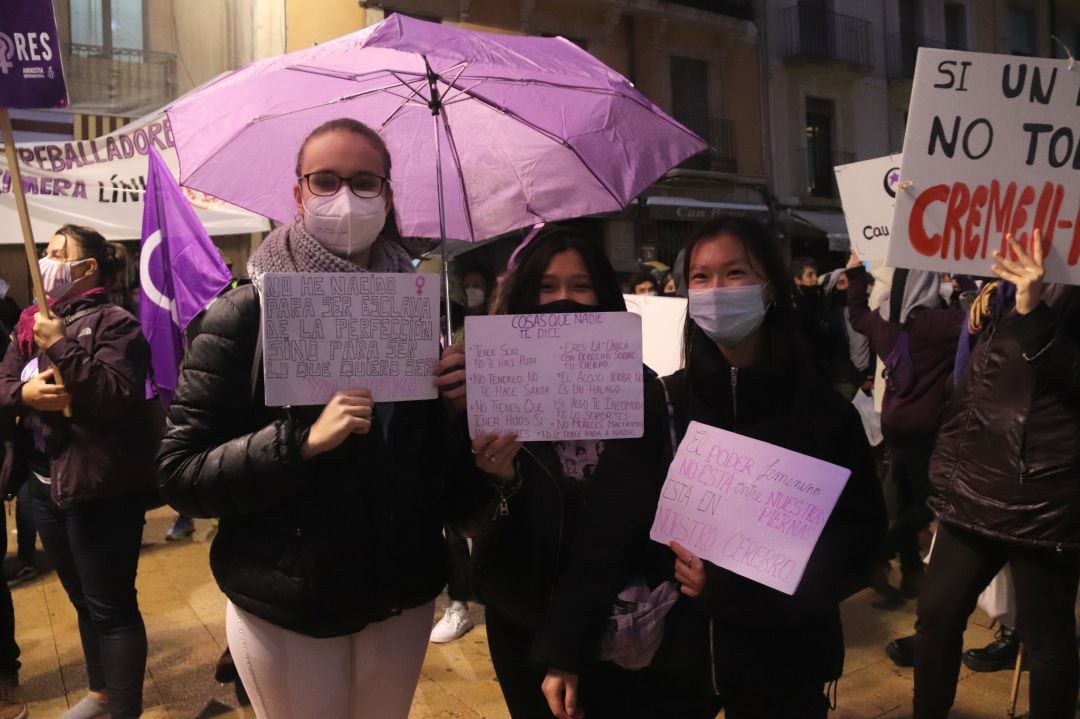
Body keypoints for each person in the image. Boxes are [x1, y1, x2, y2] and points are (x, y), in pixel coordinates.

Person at [156, 118, 473, 719]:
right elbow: (179, 473)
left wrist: (460, 413)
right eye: (325, 181)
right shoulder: (243, 315)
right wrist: (299, 442)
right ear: (298, 195)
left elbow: (443, 484)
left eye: (364, 182)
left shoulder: (426, 319)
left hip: (400, 598)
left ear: (387, 195)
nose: (345, 198)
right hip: (288, 603)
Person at [536, 218, 887, 719]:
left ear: (771, 287)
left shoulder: (826, 415)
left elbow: (861, 543)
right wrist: (565, 648)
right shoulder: (661, 402)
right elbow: (607, 530)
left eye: (735, 272)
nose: (716, 290)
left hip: (785, 667)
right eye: (701, 277)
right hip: (675, 666)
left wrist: (747, 593)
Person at [454, 225, 641, 718]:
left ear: (603, 295)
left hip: (617, 611)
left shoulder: (639, 387)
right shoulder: (491, 385)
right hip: (522, 609)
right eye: (547, 287)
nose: (564, 300)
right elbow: (464, 517)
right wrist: (498, 479)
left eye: (580, 287)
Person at [913, 230, 1080, 719]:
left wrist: (1035, 315)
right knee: (936, 618)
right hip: (974, 478)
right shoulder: (1000, 276)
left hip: (1044, 494)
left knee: (1047, 640)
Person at [0, 224, 156, 719]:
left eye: (56, 253)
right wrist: (22, 395)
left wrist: (61, 345)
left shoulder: (116, 323)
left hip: (103, 487)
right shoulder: (28, 322)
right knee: (82, 600)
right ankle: (102, 693)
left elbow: (113, 395)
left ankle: (123, 711)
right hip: (43, 486)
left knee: (112, 608)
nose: (45, 260)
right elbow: (2, 382)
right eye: (43, 251)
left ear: (87, 267)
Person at [845, 252, 964, 599]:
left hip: (893, 423)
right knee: (935, 502)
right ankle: (882, 551)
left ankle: (911, 572)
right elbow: (984, 317)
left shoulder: (881, 323)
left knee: (909, 497)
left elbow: (855, 315)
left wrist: (854, 272)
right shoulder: (939, 324)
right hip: (927, 430)